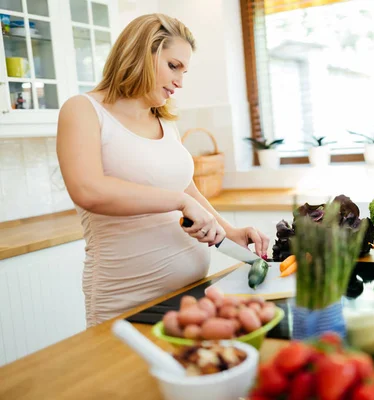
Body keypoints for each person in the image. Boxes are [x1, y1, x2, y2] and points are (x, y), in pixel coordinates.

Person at [57, 14, 270, 327]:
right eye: (173, 66)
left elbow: (186, 189)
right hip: (126, 303)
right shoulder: (83, 110)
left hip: (191, 297)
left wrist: (230, 233)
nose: (180, 82)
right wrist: (178, 202)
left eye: (184, 70)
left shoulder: (166, 119)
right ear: (142, 53)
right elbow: (88, 190)